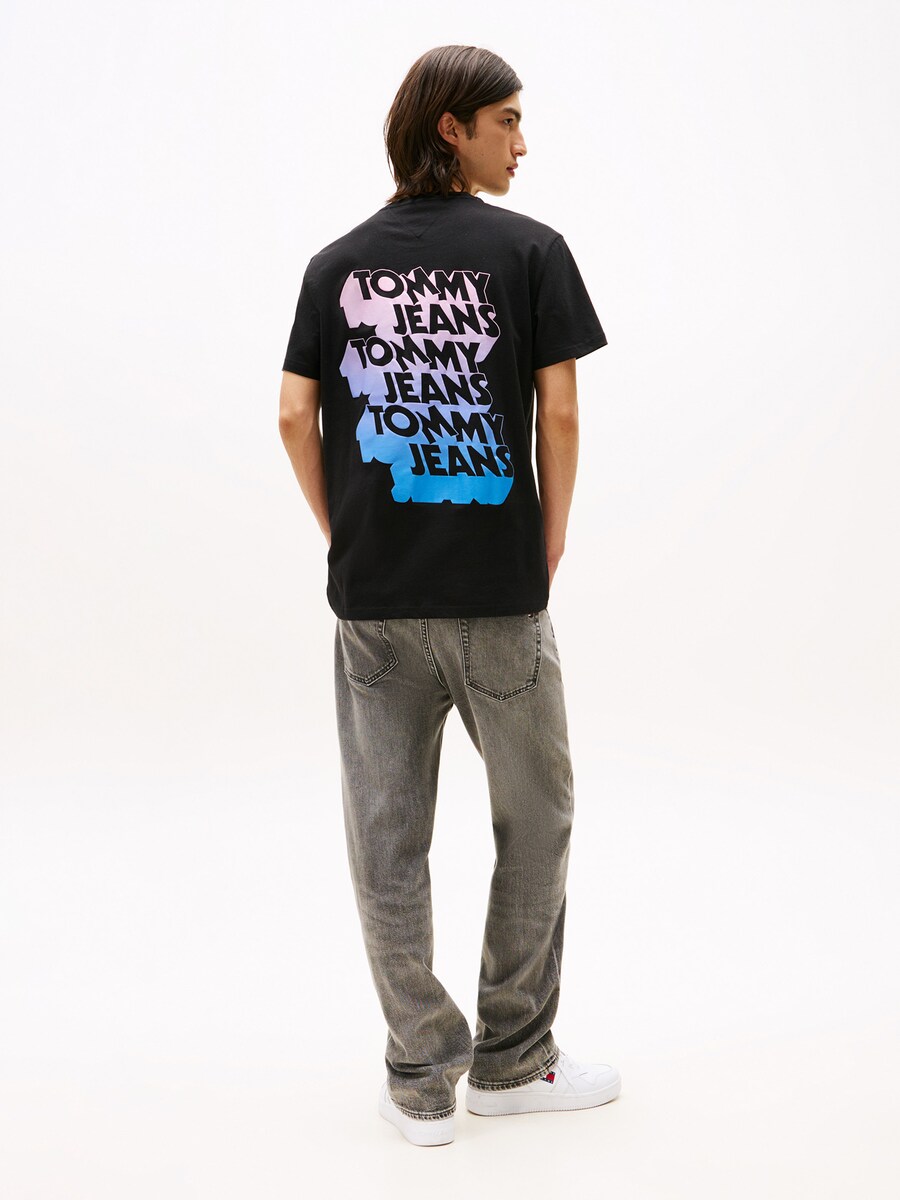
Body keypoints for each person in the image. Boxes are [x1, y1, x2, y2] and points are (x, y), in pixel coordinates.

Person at [278, 44, 621, 1147]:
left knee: (388, 838)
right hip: (499, 596)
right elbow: (560, 414)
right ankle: (513, 1060)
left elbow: (291, 416)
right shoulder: (531, 252)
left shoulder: (334, 265)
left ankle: (422, 1078)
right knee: (539, 818)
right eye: (506, 121)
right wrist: (547, 541)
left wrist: (343, 534)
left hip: (374, 604)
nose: (522, 143)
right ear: (450, 128)